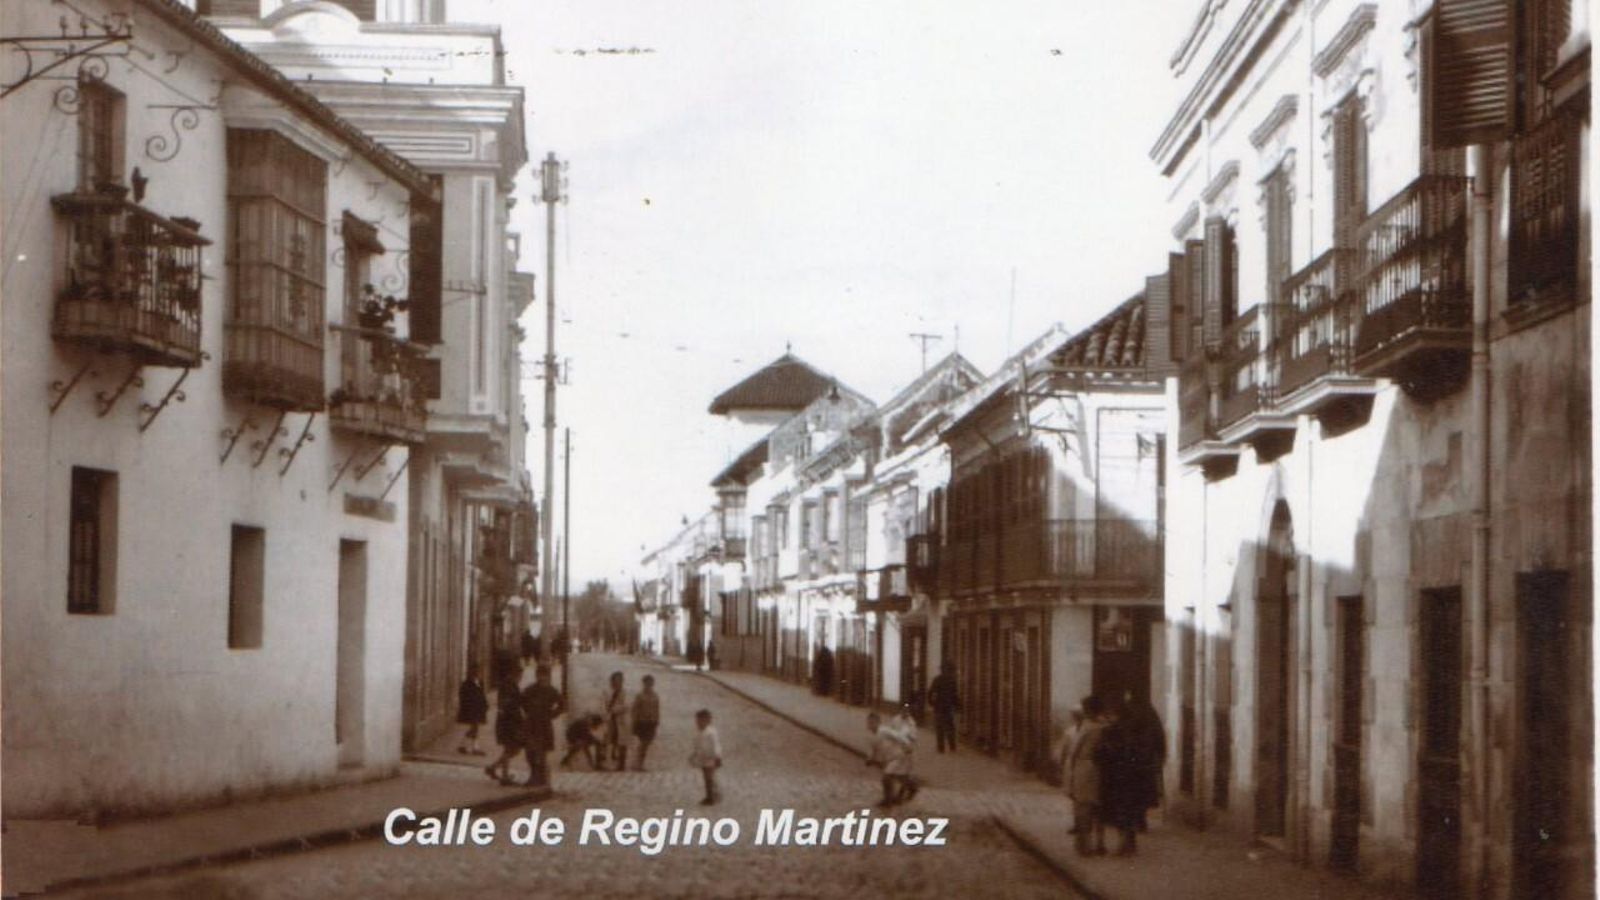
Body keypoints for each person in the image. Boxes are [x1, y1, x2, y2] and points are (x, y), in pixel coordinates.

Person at [1095, 697, 1142, 855]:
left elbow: (1100, 754)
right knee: (1126, 810)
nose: (1109, 717)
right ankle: (1127, 843)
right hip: (1129, 777)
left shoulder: (1108, 731)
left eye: (1111, 714)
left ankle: (1112, 845)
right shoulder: (1133, 731)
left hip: (1111, 777)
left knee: (1110, 811)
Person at [1064, 695, 1108, 856]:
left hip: (1085, 768)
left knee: (1083, 807)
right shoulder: (1105, 725)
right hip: (1101, 769)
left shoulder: (1086, 727)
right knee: (1099, 807)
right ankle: (1100, 843)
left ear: (1088, 710)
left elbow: (1074, 750)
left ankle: (1084, 846)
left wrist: (1069, 776)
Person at [1122, 692, 1167, 832]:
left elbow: (1128, 738)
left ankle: (1137, 820)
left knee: (1134, 791)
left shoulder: (1134, 716)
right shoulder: (1151, 715)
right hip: (1147, 760)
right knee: (1142, 792)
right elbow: (1160, 738)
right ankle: (1140, 820)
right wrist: (1160, 757)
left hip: (1136, 760)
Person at [520, 664, 564, 790]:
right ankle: (534, 776)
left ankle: (542, 779)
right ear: (537, 675)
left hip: (544, 725)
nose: (542, 678)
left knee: (542, 753)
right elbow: (522, 701)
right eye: (540, 675)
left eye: (545, 675)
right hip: (532, 724)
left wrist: (552, 714)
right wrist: (528, 711)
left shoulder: (551, 691)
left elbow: (562, 704)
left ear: (548, 676)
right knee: (530, 753)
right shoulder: (531, 689)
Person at [485, 664, 526, 785]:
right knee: (511, 748)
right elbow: (509, 704)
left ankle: (493, 768)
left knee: (513, 749)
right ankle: (504, 776)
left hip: (508, 721)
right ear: (515, 674)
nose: (521, 678)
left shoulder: (509, 684)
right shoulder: (509, 685)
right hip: (509, 722)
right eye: (520, 675)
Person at [866, 712, 918, 806]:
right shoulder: (872, 736)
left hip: (899, 755)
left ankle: (887, 800)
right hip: (890, 758)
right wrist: (870, 758)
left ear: (878, 722)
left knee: (887, 777)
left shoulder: (884, 731)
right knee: (900, 777)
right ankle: (913, 787)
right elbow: (874, 749)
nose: (870, 725)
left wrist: (907, 745)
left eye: (873, 722)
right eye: (869, 723)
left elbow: (899, 736)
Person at [689, 709, 722, 805]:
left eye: (700, 721)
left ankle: (711, 797)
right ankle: (711, 795)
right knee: (707, 777)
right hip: (703, 757)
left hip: (710, 758)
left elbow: (715, 746)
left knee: (710, 778)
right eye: (697, 721)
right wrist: (694, 754)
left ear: (707, 721)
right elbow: (697, 744)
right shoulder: (700, 732)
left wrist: (717, 757)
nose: (698, 723)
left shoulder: (711, 733)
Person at [928, 660, 961, 753]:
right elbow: (955, 695)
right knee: (950, 726)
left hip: (938, 705)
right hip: (948, 706)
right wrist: (957, 705)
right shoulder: (952, 680)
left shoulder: (937, 679)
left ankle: (941, 748)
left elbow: (931, 692)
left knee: (939, 727)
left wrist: (931, 703)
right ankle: (952, 746)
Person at [455, 666, 488, 756]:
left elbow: (482, 694)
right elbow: (463, 696)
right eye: (475, 672)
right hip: (471, 709)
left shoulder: (480, 683)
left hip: (478, 708)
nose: (477, 674)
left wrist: (485, 705)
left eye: (478, 672)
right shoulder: (466, 684)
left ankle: (463, 745)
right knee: (475, 727)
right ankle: (474, 748)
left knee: (475, 728)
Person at [632, 674, 662, 770]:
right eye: (647, 683)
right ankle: (638, 763)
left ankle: (639, 762)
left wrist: (657, 720)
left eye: (651, 683)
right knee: (643, 743)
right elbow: (635, 709)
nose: (649, 685)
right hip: (642, 722)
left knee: (646, 743)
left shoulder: (655, 696)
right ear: (644, 683)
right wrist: (634, 721)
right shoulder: (640, 696)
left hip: (651, 722)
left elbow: (657, 709)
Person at [602, 671, 630, 771]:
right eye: (616, 681)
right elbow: (604, 705)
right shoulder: (607, 692)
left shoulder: (625, 692)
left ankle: (621, 765)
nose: (618, 683)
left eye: (620, 680)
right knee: (607, 741)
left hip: (621, 720)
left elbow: (627, 706)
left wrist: (615, 710)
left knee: (622, 742)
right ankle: (605, 762)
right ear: (612, 681)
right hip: (610, 720)